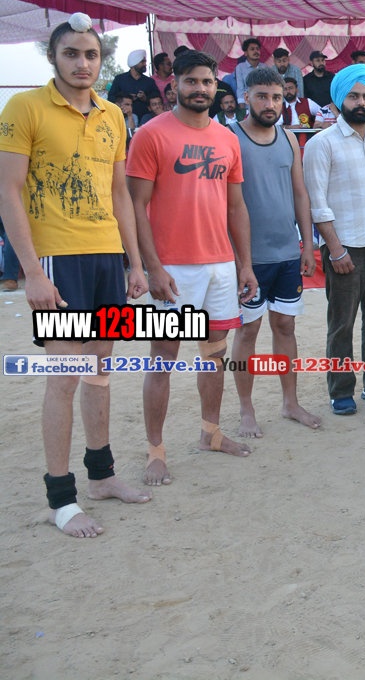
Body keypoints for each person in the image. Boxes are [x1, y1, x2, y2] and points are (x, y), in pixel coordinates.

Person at [0, 15, 151, 536]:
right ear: (53, 58)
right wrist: (31, 272)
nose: (82, 63)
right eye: (71, 53)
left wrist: (134, 262)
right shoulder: (25, 108)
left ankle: (102, 477)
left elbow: (119, 194)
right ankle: (60, 500)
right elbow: (8, 190)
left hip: (106, 258)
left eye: (90, 54)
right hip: (57, 261)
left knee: (100, 373)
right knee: (65, 377)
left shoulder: (112, 116)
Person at [126, 49, 259, 486]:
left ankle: (210, 434)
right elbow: (136, 207)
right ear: (174, 86)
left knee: (214, 356)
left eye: (207, 82)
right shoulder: (150, 135)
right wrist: (152, 267)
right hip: (173, 269)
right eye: (191, 81)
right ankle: (155, 451)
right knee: (162, 360)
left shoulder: (227, 138)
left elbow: (236, 207)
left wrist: (244, 264)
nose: (200, 89)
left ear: (216, 86)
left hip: (220, 265)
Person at [224, 67, 321, 438]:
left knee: (285, 326)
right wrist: (240, 261)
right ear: (246, 97)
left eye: (277, 97)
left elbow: (300, 193)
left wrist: (307, 244)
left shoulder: (289, 138)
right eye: (262, 96)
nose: (270, 104)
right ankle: (246, 410)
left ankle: (290, 403)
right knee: (248, 331)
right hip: (248, 259)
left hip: (286, 254)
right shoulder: (229, 137)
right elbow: (224, 204)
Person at [302, 63, 365, 415]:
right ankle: (341, 390)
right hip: (345, 249)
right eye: (353, 96)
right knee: (342, 323)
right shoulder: (321, 144)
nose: (361, 103)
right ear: (337, 101)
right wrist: (335, 249)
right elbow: (317, 203)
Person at [108, 49, 161, 119]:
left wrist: (145, 98)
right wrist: (127, 98)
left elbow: (158, 98)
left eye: (145, 61)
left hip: (146, 119)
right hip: (125, 118)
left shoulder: (150, 81)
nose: (145, 64)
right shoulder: (120, 79)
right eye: (142, 62)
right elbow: (111, 98)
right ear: (134, 63)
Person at [279, 77, 327, 147]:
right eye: (285, 89)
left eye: (291, 88)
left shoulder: (307, 102)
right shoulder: (280, 107)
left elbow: (323, 114)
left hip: (309, 140)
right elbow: (276, 127)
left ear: (297, 90)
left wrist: (320, 124)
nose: (288, 91)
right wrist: (290, 127)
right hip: (288, 142)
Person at [234, 38, 270, 108]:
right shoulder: (240, 68)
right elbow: (240, 89)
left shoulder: (265, 67)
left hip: (264, 104)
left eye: (257, 49)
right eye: (252, 49)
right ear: (245, 53)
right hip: (248, 106)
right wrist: (243, 110)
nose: (256, 51)